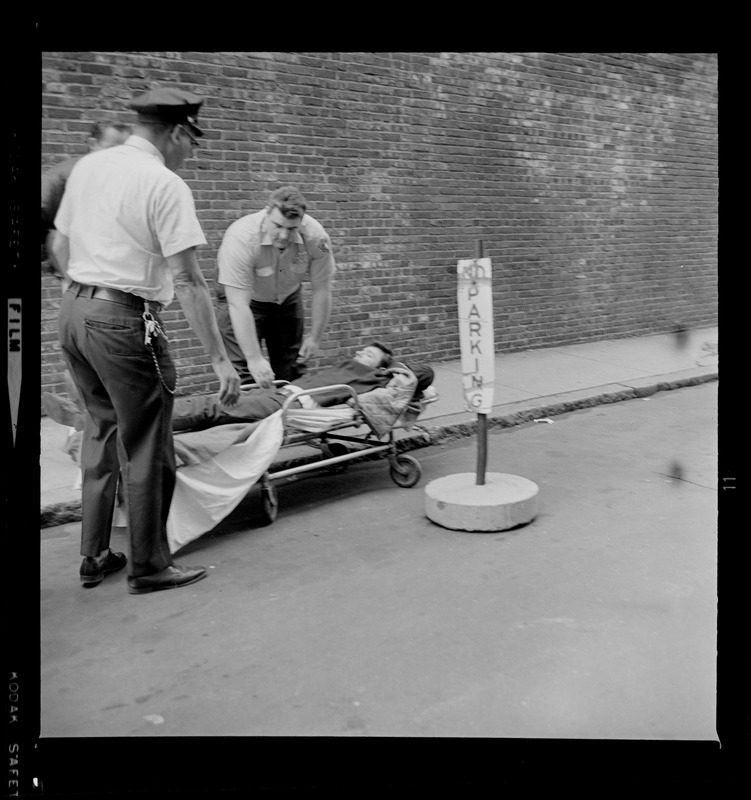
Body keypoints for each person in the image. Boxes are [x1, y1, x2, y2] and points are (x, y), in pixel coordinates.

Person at [52, 87, 241, 595]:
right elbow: (189, 281)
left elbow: (59, 243)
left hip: (73, 311)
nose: (191, 154)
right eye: (193, 143)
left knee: (100, 430)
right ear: (178, 132)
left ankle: (94, 556)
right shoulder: (164, 183)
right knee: (147, 443)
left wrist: (86, 289)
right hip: (122, 319)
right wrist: (221, 361)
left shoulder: (90, 166)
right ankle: (149, 566)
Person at [45, 342, 435, 434]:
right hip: (280, 392)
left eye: (370, 354)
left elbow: (418, 376)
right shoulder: (345, 365)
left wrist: (396, 368)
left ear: (382, 366)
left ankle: (100, 416)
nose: (361, 353)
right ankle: (101, 411)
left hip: (289, 403)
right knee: (206, 402)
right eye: (363, 350)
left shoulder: (377, 379)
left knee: (213, 411)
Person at [215, 185, 336, 387]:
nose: (283, 235)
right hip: (243, 301)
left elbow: (322, 288)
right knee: (245, 375)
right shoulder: (241, 238)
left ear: (301, 222)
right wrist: (254, 359)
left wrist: (315, 337)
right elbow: (238, 305)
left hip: (287, 299)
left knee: (290, 373)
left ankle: (288, 415)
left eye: (291, 229)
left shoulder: (316, 237)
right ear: (267, 211)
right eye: (278, 226)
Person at [42, 121, 132, 279]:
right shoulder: (64, 175)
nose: (119, 157)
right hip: (76, 272)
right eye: (112, 149)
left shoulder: (121, 177)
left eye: (125, 151)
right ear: (93, 144)